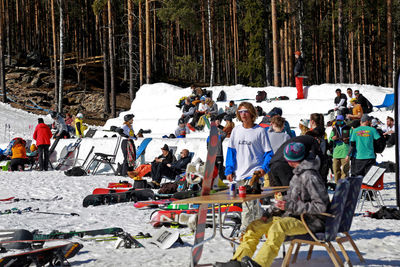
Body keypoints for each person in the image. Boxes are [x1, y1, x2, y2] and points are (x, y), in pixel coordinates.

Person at [217, 142, 329, 267]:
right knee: (255, 226)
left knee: (278, 228)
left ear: (291, 160)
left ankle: (259, 264)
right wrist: (269, 212)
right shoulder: (298, 174)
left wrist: (289, 207)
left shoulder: (310, 176)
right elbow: (288, 199)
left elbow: (321, 206)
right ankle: (237, 262)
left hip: (310, 221)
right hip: (294, 216)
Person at [225, 102, 273, 230]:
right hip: (239, 174)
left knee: (248, 206)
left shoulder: (260, 131)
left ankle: (245, 232)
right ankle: (265, 226)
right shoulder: (236, 131)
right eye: (240, 112)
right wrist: (229, 169)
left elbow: (269, 153)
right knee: (253, 206)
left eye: (246, 111)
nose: (243, 114)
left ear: (252, 113)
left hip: (254, 175)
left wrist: (263, 168)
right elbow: (231, 152)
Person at [329, 115, 351, 183]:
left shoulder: (348, 128)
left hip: (345, 152)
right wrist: (332, 138)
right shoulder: (334, 129)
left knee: (344, 171)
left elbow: (352, 138)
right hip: (336, 152)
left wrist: (347, 139)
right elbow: (330, 138)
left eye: (340, 121)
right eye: (337, 121)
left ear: (343, 121)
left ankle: (343, 185)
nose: (339, 123)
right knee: (336, 170)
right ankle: (337, 185)